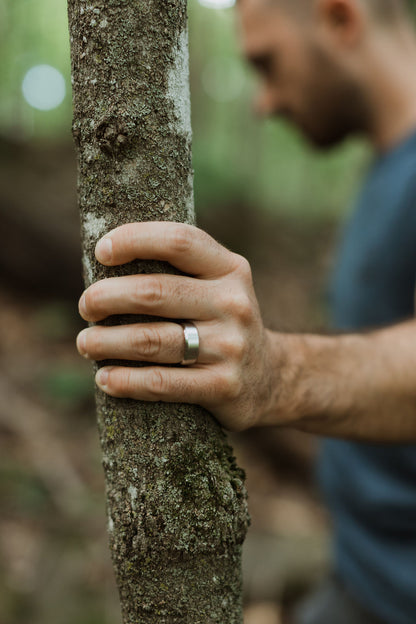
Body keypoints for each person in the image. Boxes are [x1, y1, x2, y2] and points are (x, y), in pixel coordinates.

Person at [76, 0, 416, 622]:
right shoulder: (386, 169)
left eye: (267, 63)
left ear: (341, 19)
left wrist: (279, 372)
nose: (263, 101)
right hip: (359, 577)